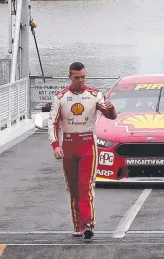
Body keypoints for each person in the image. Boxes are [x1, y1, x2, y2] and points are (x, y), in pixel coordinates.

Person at [48, 62, 117, 239]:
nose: (81, 81)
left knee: (85, 186)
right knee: (73, 188)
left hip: (88, 146)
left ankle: (88, 223)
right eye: (77, 77)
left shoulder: (94, 95)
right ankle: (77, 224)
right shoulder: (61, 97)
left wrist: (111, 108)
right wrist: (55, 145)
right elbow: (53, 123)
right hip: (69, 146)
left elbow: (110, 116)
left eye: (83, 77)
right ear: (70, 77)